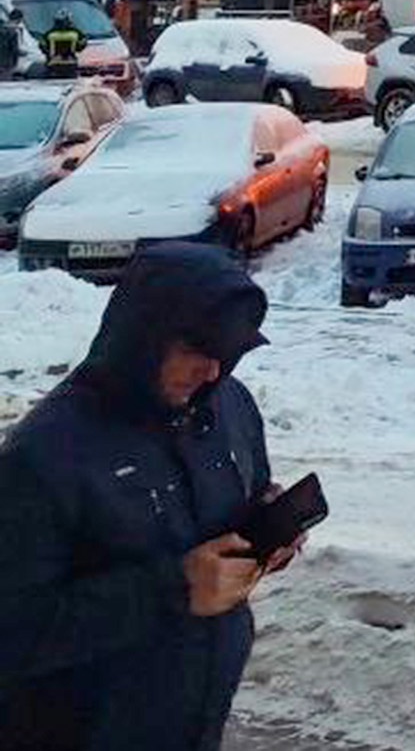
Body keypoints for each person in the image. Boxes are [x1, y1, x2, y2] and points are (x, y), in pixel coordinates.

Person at [0, 245, 304, 751]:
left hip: (194, 719)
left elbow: (228, 519)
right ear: (142, 338)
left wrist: (265, 531)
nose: (212, 373)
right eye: (198, 351)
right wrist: (175, 588)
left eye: (228, 356)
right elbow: (12, 631)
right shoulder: (44, 455)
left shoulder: (228, 406)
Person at [40, 11, 83, 79]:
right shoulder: (76, 33)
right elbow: (81, 45)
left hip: (53, 64)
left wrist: (48, 52)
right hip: (71, 64)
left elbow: (42, 46)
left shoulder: (49, 34)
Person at [0, 8, 27, 81]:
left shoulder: (2, 28)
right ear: (19, 19)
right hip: (7, 63)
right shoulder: (12, 31)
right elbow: (14, 48)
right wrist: (21, 53)